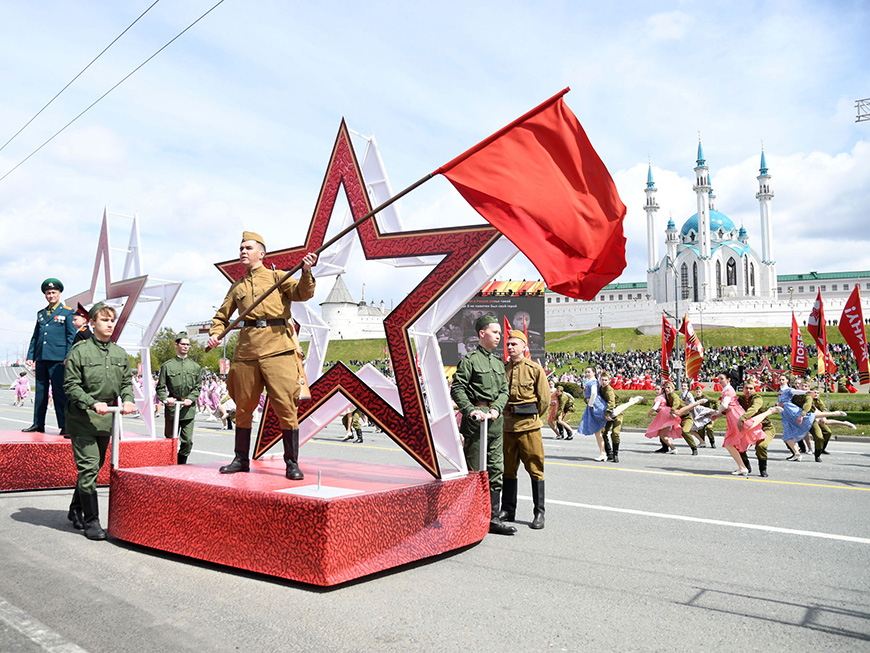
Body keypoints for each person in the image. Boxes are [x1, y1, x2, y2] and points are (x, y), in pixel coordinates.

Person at [207, 232, 317, 481]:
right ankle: (241, 459)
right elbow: (221, 317)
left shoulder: (279, 277)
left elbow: (303, 293)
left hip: (278, 348)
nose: (243, 251)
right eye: (241, 248)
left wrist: (307, 271)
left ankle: (291, 463)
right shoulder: (238, 287)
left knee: (286, 406)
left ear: (262, 253)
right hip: (247, 351)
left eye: (248, 248)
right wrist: (216, 334)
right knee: (243, 407)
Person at [63, 303, 137, 540]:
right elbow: (70, 386)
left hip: (106, 420)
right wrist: (91, 402)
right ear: (92, 323)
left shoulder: (119, 353)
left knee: (93, 468)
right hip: (83, 417)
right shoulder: (80, 351)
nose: (109, 324)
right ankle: (91, 521)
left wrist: (127, 399)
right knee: (89, 466)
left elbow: (126, 382)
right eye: (104, 320)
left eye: (112, 320)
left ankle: (75, 509)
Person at [451, 314, 515, 536]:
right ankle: (470, 516)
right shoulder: (470, 361)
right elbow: (457, 388)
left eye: (499, 333)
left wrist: (497, 407)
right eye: (495, 332)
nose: (499, 336)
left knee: (496, 469)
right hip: (476, 424)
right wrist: (470, 410)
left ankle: (493, 517)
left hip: (495, 423)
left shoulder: (498, 363)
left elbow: (504, 391)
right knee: (475, 468)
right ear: (482, 333)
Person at [499, 330, 550, 529]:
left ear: (524, 346)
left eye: (514, 344)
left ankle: (539, 513)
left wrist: (530, 414)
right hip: (508, 427)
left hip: (529, 427)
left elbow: (544, 400)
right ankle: (508, 510)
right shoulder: (503, 369)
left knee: (535, 469)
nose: (510, 347)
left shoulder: (535, 370)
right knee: (508, 470)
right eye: (508, 344)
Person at [24, 278, 76, 434]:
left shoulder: (67, 312)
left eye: (53, 292)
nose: (51, 295)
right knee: (40, 392)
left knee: (60, 392)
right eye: (48, 293)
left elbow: (70, 336)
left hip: (58, 359)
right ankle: (38, 424)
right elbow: (36, 336)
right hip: (41, 358)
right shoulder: (40, 314)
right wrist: (30, 355)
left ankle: (65, 426)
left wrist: (68, 356)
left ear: (59, 294)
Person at [155, 333, 202, 464]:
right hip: (172, 407)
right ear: (176, 345)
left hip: (188, 408)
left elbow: (198, 387)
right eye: (183, 344)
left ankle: (181, 463)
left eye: (188, 344)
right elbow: (160, 387)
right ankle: (170, 463)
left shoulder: (195, 367)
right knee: (170, 439)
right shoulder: (168, 366)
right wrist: (165, 399)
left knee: (187, 441)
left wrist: (191, 399)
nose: (186, 346)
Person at [736, 378, 775, 477]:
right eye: (746, 388)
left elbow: (754, 408)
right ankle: (746, 466)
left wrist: (742, 418)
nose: (748, 390)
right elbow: (730, 405)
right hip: (749, 429)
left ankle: (763, 469)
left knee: (761, 446)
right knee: (738, 445)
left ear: (754, 389)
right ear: (743, 389)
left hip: (765, 427)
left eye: (751, 388)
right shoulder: (741, 399)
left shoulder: (757, 398)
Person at [578, 367, 608, 461]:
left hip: (596, 406)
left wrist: (590, 404)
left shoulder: (593, 382)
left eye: (589, 372)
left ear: (594, 373)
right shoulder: (590, 382)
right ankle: (603, 453)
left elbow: (594, 393)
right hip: (593, 406)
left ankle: (603, 453)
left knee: (598, 431)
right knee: (597, 432)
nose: (587, 373)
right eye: (586, 372)